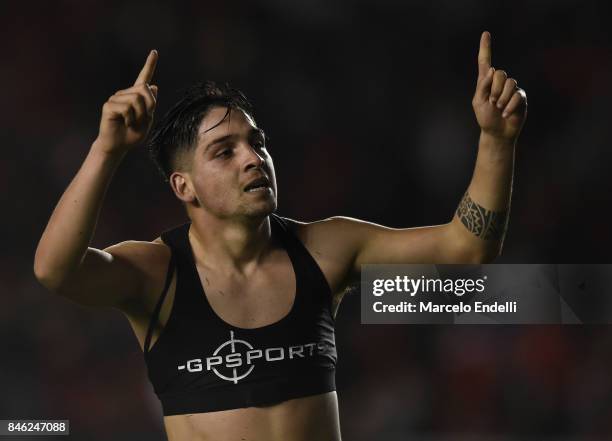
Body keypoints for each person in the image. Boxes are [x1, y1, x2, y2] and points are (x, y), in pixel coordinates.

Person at [34, 31, 527, 441]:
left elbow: (469, 246)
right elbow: (55, 270)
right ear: (184, 187)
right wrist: (106, 150)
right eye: (224, 151)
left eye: (257, 143)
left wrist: (496, 141)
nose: (253, 158)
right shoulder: (157, 272)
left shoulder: (326, 249)